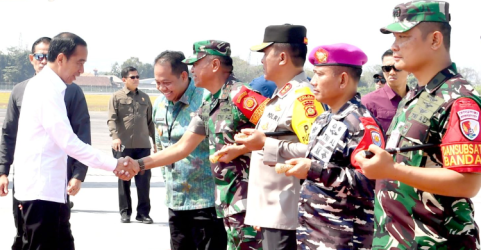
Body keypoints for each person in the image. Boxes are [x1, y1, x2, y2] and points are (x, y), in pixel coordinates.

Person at [355, 1, 481, 249]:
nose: (394, 46)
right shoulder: (415, 95)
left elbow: (467, 182)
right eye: (394, 37)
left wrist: (391, 171)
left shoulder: (458, 99)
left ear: (435, 40)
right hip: (396, 240)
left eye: (403, 36)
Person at [127, 40, 262, 249]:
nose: (192, 70)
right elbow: (182, 147)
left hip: (245, 206)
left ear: (215, 65)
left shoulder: (242, 97)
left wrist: (246, 147)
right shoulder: (210, 104)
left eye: (196, 64)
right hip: (226, 204)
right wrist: (139, 164)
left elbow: (279, 135)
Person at [13, 32, 136, 250]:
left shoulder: (51, 87)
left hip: (50, 191)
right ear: (61, 59)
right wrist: (115, 164)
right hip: (41, 194)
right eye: (79, 62)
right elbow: (69, 142)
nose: (81, 70)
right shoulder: (45, 89)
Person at [284, 43, 384, 249]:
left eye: (320, 74)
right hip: (312, 232)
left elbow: (371, 182)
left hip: (343, 238)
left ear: (343, 79)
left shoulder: (361, 123)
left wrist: (315, 170)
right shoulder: (324, 119)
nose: (313, 82)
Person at [0, 36, 91, 250]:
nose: (43, 60)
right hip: (26, 179)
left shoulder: (72, 90)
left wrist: (78, 174)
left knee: (58, 233)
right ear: (32, 58)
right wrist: (3, 170)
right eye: (39, 56)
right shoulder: (21, 90)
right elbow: (9, 134)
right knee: (24, 232)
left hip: (56, 180)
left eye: (47, 55)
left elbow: (80, 134)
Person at [234, 24, 315, 250]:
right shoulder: (282, 95)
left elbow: (314, 153)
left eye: (264, 54)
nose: (261, 61)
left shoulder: (302, 97)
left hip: (287, 214)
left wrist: (265, 143)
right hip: (272, 211)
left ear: (281, 57)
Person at [152, 50, 226, 249]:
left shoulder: (206, 100)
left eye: (166, 82)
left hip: (206, 201)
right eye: (157, 82)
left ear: (184, 76)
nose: (161, 88)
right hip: (175, 200)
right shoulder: (159, 105)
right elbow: (160, 145)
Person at [108, 66, 156, 224]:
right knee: (124, 179)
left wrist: (155, 142)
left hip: (143, 145)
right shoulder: (116, 97)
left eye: (137, 76)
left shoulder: (145, 98)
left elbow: (150, 122)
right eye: (132, 77)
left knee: (144, 181)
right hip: (123, 145)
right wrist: (115, 137)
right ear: (124, 79)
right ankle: (125, 212)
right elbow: (112, 119)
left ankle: (143, 213)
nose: (136, 79)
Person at [362, 49, 410, 132]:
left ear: (409, 69)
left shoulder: (419, 99)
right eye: (387, 68)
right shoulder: (368, 102)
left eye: (396, 67)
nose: (391, 72)